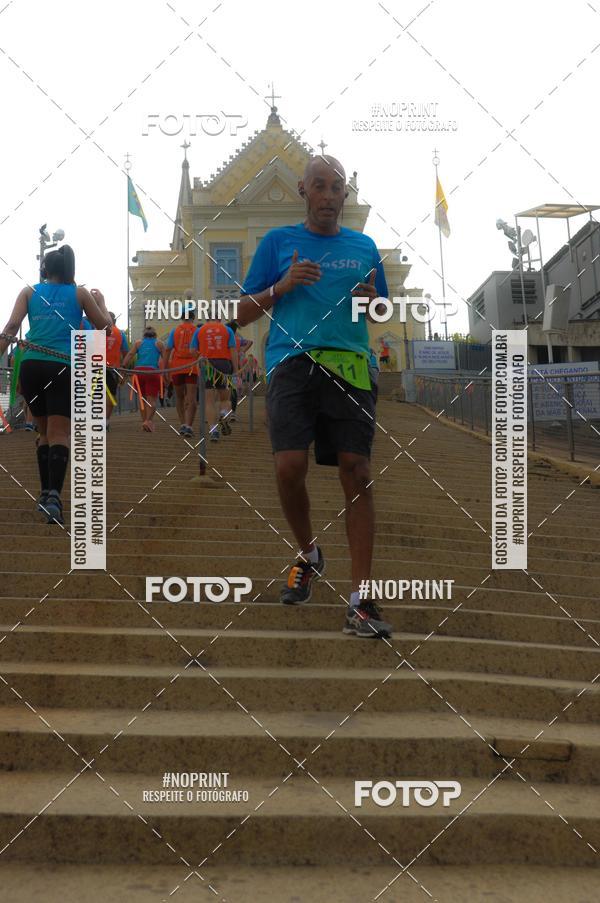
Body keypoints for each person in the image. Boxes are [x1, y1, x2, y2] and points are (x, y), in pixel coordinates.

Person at [237, 154, 392, 638]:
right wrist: (281, 286)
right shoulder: (278, 242)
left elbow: (383, 309)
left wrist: (375, 304)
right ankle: (308, 554)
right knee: (288, 466)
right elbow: (240, 313)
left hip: (351, 366)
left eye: (337, 188)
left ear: (346, 195)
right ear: (303, 191)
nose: (328, 196)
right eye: (319, 186)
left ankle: (362, 601)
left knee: (358, 471)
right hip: (291, 363)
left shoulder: (365, 246)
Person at [0, 245, 110, 525]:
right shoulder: (80, 293)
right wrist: (103, 303)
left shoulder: (29, 292)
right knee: (61, 432)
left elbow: (12, 327)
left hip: (32, 365)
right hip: (64, 366)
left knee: (44, 431)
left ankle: (45, 492)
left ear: (44, 270)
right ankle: (53, 498)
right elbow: (103, 327)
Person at [190, 318, 238, 441]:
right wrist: (236, 370)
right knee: (225, 398)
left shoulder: (199, 330)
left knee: (209, 401)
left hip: (206, 365)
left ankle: (213, 430)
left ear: (207, 319)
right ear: (219, 319)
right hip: (224, 364)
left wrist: (200, 356)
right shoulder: (227, 330)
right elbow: (233, 351)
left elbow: (192, 350)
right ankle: (223, 413)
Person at [163, 303, 199, 436]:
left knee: (179, 397)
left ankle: (183, 423)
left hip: (177, 368)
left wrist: (165, 370)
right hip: (192, 367)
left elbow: (167, 350)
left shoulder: (175, 331)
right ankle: (189, 426)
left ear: (182, 316)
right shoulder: (197, 331)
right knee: (191, 398)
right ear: (193, 316)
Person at [122, 326, 165, 432]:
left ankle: (144, 422)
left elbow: (130, 354)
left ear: (144, 334)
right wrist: (166, 374)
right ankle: (148, 421)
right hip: (152, 372)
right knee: (152, 400)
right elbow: (165, 359)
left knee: (142, 400)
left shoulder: (138, 343)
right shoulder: (159, 343)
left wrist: (123, 366)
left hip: (138, 372)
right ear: (155, 334)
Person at [105, 312, 129, 430]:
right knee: (110, 395)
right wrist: (123, 372)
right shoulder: (121, 334)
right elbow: (126, 353)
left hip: (95, 367)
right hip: (113, 369)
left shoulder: (96, 330)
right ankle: (106, 421)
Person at [226, 321, 253, 421]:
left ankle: (223, 412)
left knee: (223, 390)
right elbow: (250, 342)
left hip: (226, 365)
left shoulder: (226, 339)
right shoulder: (238, 340)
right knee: (233, 390)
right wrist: (243, 350)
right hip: (236, 366)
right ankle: (233, 413)